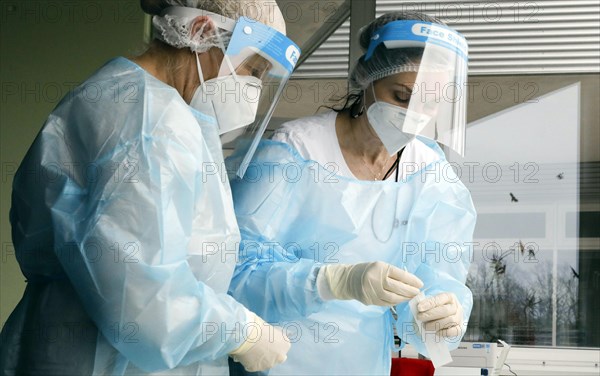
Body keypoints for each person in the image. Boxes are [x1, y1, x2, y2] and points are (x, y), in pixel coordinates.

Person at [0, 1, 301, 375]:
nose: (253, 88)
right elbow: (145, 304)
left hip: (68, 344)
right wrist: (242, 332)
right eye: (253, 70)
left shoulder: (124, 95)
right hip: (111, 359)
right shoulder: (153, 123)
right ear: (202, 32)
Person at [226, 11, 476, 375]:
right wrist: (331, 281)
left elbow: (436, 279)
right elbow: (233, 272)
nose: (415, 115)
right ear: (368, 79)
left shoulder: (430, 175)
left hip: (361, 363)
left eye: (430, 102)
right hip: (273, 359)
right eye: (402, 96)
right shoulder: (296, 151)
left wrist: (442, 315)